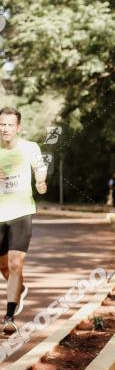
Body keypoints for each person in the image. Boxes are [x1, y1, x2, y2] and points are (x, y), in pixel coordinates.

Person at [0, 107, 47, 334]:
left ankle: (9, 317)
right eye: (2, 124)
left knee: (15, 264)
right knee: (4, 267)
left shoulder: (30, 147)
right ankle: (20, 287)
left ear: (18, 127)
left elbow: (40, 167)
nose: (5, 129)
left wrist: (40, 181)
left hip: (20, 212)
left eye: (9, 125)